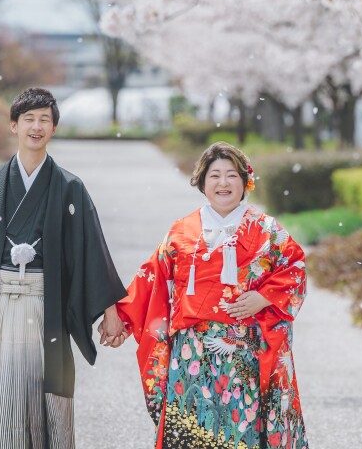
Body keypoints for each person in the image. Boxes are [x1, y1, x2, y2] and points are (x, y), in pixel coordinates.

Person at [0, 87, 127, 449]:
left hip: (46, 307)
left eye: (44, 119)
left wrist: (110, 311)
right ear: (14, 126)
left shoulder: (69, 187)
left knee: (44, 389)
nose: (36, 126)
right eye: (28, 119)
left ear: (54, 128)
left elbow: (92, 251)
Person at [109, 142, 308, 449]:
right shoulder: (182, 231)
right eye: (214, 175)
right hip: (191, 350)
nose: (223, 183)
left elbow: (295, 268)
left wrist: (264, 297)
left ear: (245, 182)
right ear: (202, 183)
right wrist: (119, 317)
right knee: (193, 426)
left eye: (231, 175)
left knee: (241, 427)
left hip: (245, 350)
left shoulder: (267, 230)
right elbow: (152, 278)